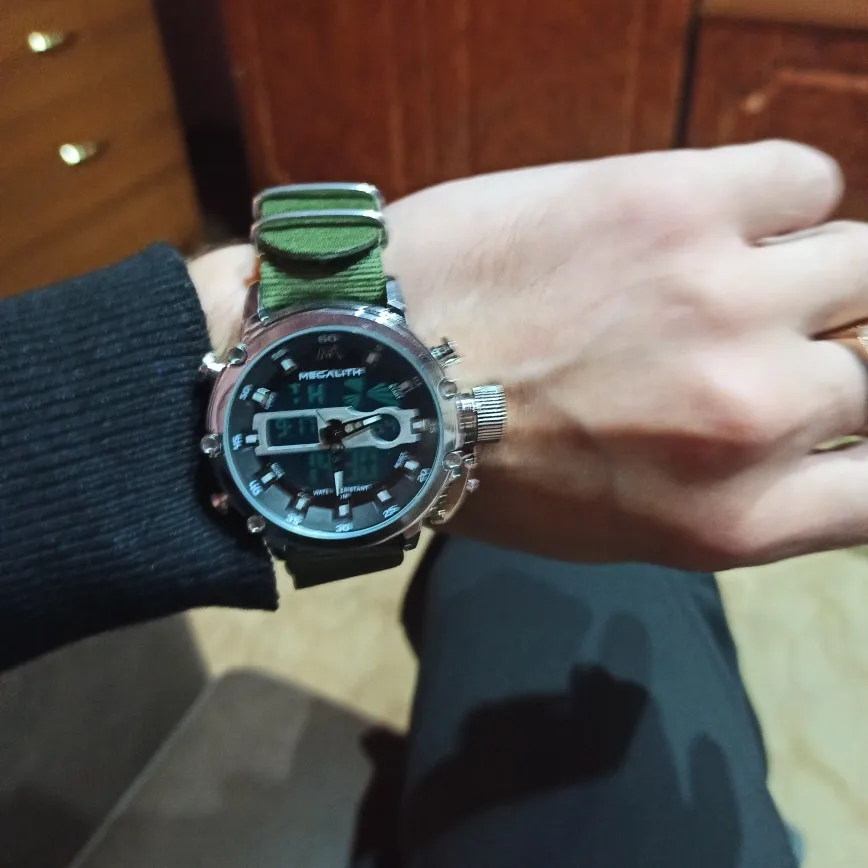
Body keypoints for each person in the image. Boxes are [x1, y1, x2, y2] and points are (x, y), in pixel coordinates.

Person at [3, 139, 865, 866]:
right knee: (636, 588)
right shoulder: (272, 428)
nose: (335, 433)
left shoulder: (405, 412)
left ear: (458, 406)